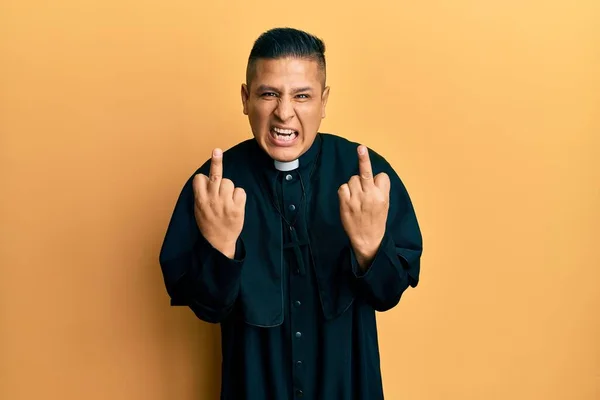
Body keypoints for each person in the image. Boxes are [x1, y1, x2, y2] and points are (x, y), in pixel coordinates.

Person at [159, 27, 423, 400]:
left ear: (324, 101)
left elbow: (388, 293)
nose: (284, 113)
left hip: (348, 386)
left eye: (302, 95)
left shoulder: (364, 175)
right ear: (246, 98)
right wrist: (220, 251)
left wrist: (369, 249)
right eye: (269, 94)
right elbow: (206, 308)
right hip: (253, 386)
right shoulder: (215, 185)